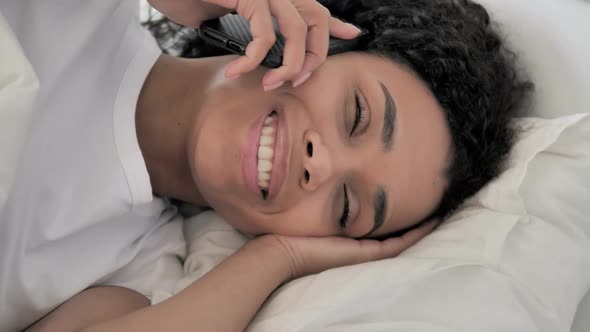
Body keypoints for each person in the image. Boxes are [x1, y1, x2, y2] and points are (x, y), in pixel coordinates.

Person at [0, 0, 530, 331]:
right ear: (314, 32)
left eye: (347, 206)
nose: (320, 166)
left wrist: (278, 258)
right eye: (357, 113)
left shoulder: (134, 272)